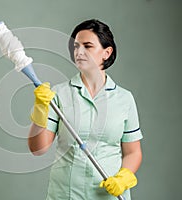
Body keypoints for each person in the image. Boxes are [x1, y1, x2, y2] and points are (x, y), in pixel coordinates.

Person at [28, 19, 143, 200]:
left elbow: (133, 152)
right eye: (76, 46)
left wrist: (124, 177)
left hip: (109, 195)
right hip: (65, 194)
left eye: (87, 46)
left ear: (107, 52)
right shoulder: (57, 94)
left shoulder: (124, 99)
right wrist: (40, 110)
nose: (79, 52)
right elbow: (38, 148)